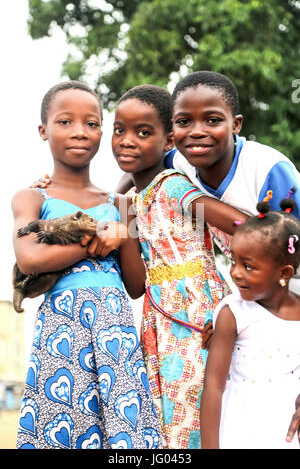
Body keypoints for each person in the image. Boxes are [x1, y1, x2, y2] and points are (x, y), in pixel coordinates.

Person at [94, 83, 249, 449]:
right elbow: (134, 283)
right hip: (157, 318)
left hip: (199, 311)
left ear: (168, 143)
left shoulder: (175, 189)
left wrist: (238, 301)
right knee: (169, 422)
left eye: (143, 132)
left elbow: (241, 226)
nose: (128, 141)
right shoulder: (130, 204)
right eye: (120, 131)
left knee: (201, 412)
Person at [12, 81, 162, 449]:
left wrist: (124, 232)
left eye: (92, 123)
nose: (80, 131)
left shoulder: (121, 204)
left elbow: (135, 285)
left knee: (123, 431)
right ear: (43, 130)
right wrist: (94, 239)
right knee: (63, 423)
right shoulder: (33, 196)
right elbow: (29, 258)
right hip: (63, 329)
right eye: (65, 122)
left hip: (116, 329)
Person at [117, 71, 300, 258]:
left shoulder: (268, 170)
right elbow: (138, 169)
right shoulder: (180, 160)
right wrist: (111, 209)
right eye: (184, 121)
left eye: (213, 120)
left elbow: (291, 240)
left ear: (236, 124)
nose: (196, 132)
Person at [200, 195, 300, 449]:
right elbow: (213, 388)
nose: (235, 272)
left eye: (248, 266)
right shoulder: (233, 313)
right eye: (234, 261)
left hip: (286, 426)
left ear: (284, 273)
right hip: (241, 423)